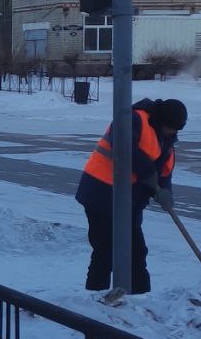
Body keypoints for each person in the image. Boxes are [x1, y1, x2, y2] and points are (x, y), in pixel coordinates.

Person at [76, 97, 187, 295]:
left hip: (130, 203)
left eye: (176, 129)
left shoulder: (167, 142)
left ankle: (140, 301)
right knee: (105, 252)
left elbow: (164, 173)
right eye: (170, 127)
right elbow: (124, 146)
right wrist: (148, 172)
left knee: (136, 253)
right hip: (100, 193)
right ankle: (93, 302)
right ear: (161, 120)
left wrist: (165, 192)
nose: (173, 132)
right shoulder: (134, 119)